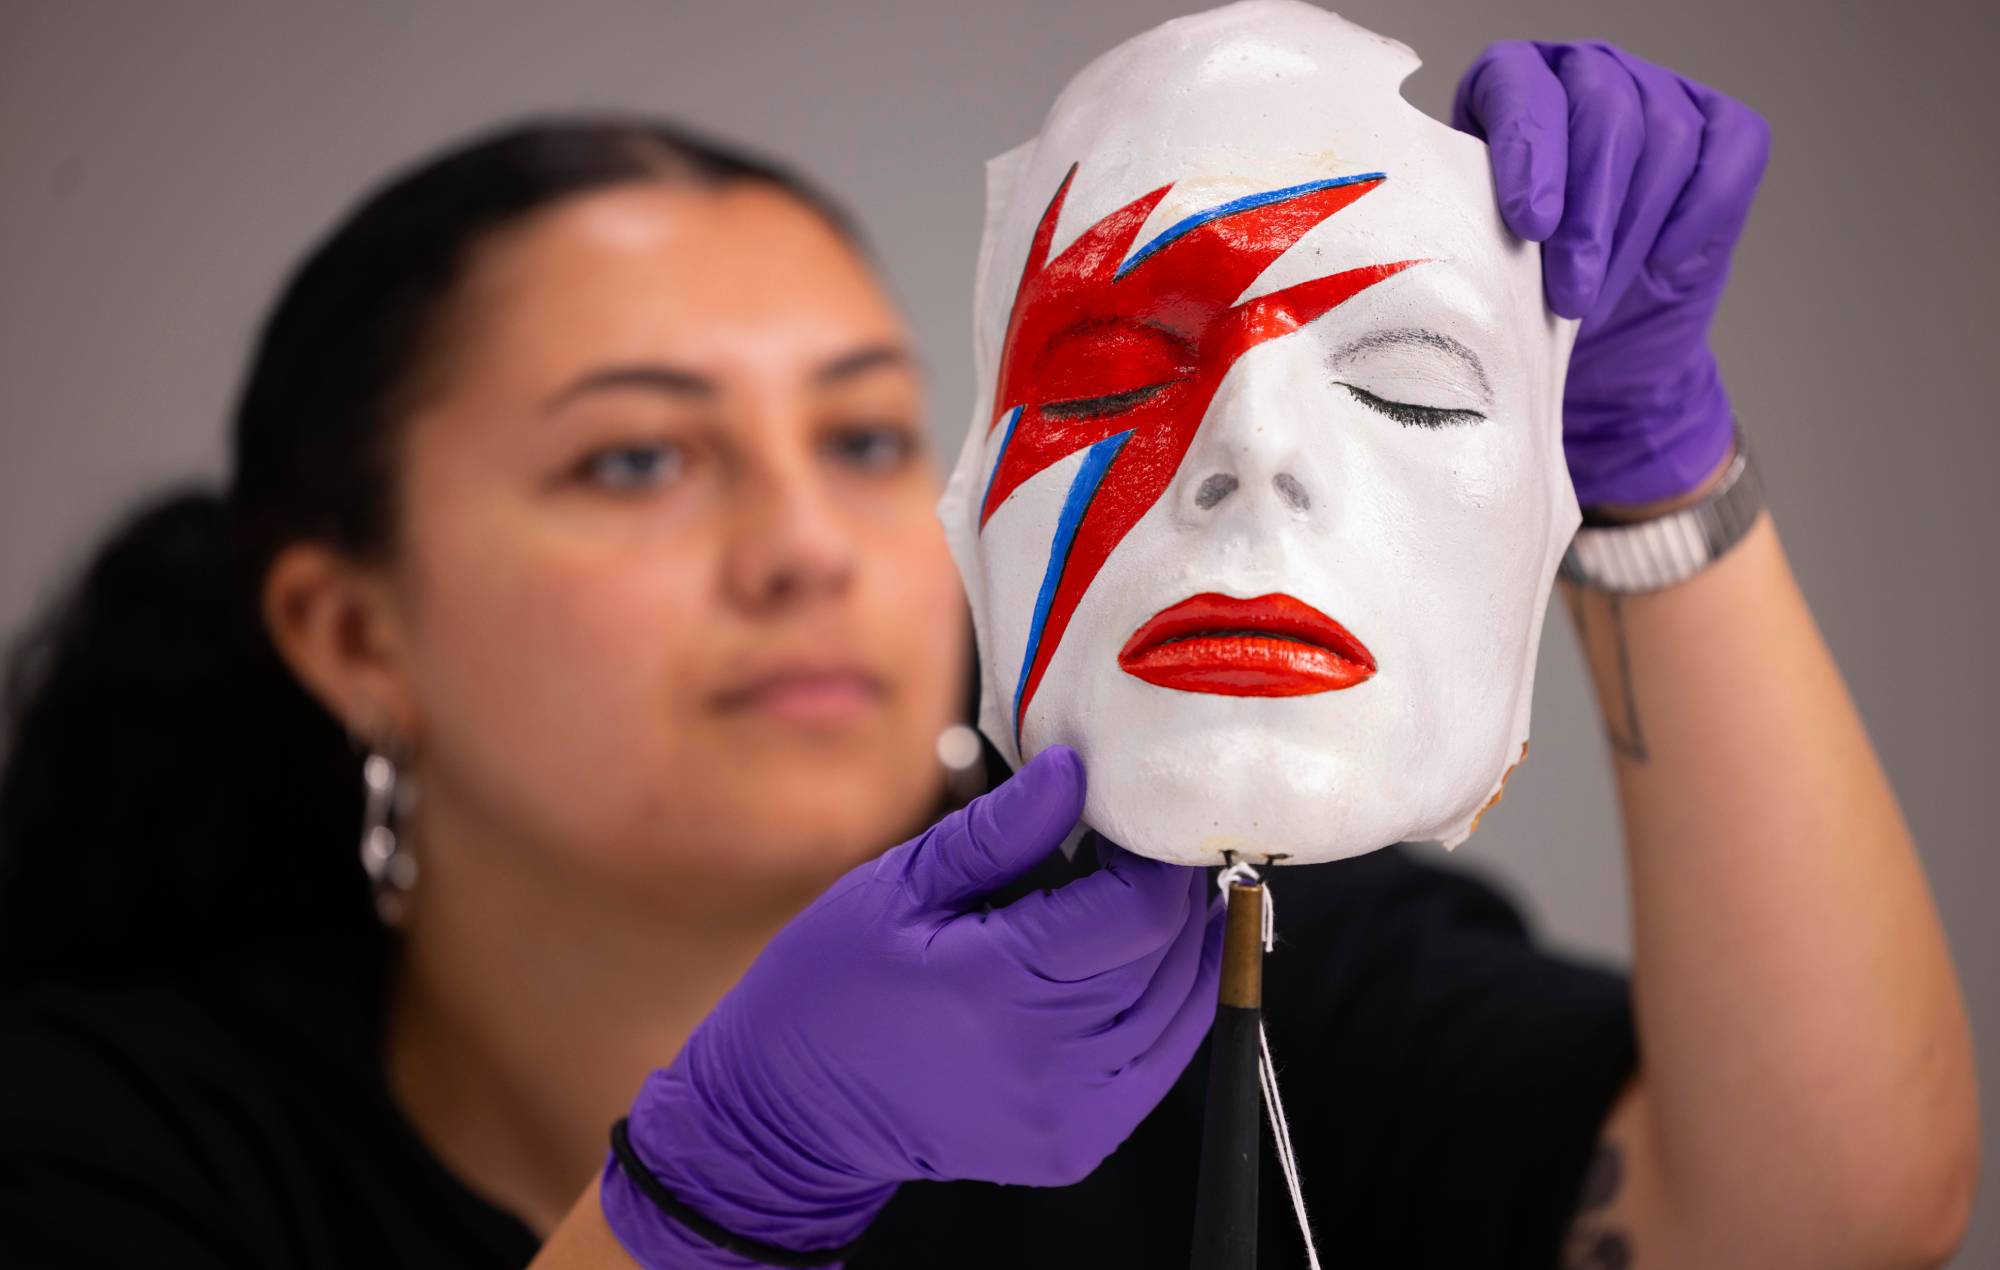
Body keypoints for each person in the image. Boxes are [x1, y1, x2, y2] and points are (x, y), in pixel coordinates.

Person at [0, 40, 1975, 1270]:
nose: (800, 545)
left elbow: (1822, 1223)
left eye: (863, 436)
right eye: (633, 457)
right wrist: (716, 1200)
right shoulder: (94, 1141)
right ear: (349, 629)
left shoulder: (1233, 983)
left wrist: (1650, 471)